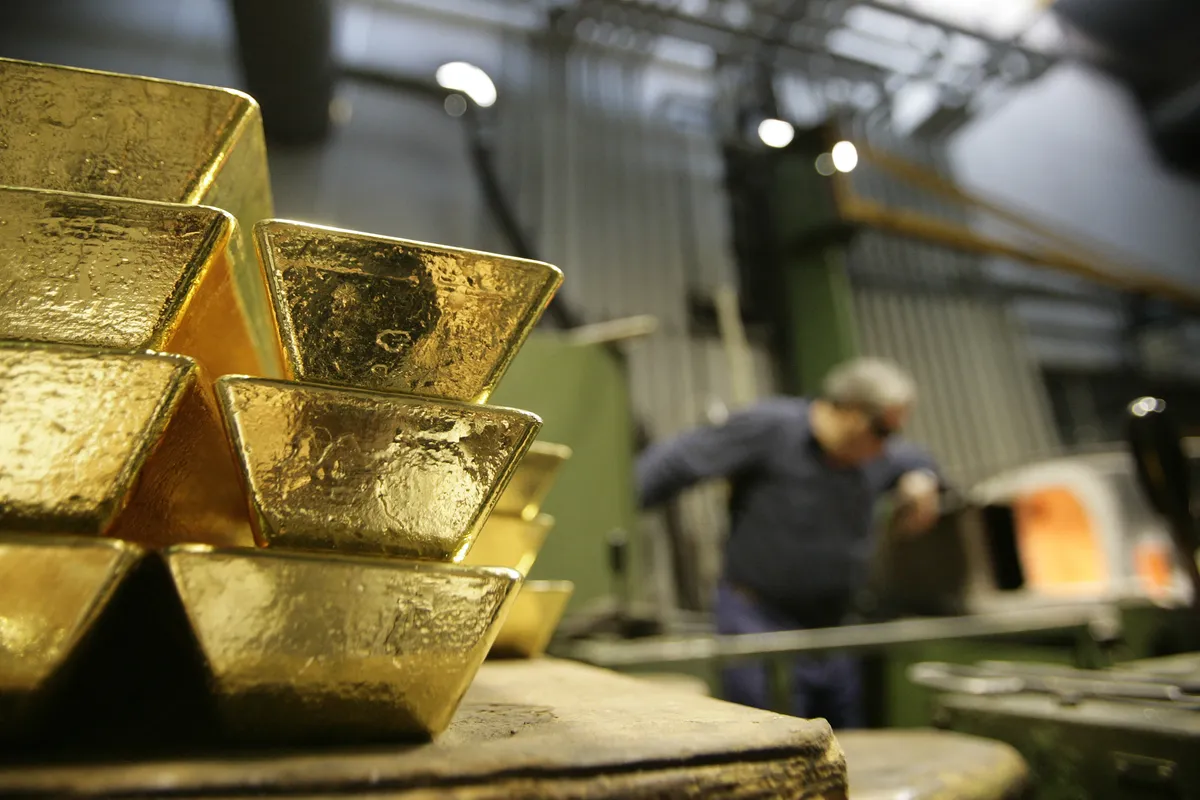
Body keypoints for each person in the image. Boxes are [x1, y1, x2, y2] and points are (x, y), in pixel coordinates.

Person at [635, 357, 942, 728]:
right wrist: (607, 509)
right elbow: (674, 463)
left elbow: (916, 457)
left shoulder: (876, 455)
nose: (887, 447)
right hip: (758, 623)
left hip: (832, 628)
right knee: (765, 737)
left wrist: (922, 475)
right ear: (850, 412)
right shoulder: (770, 427)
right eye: (883, 431)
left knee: (844, 746)